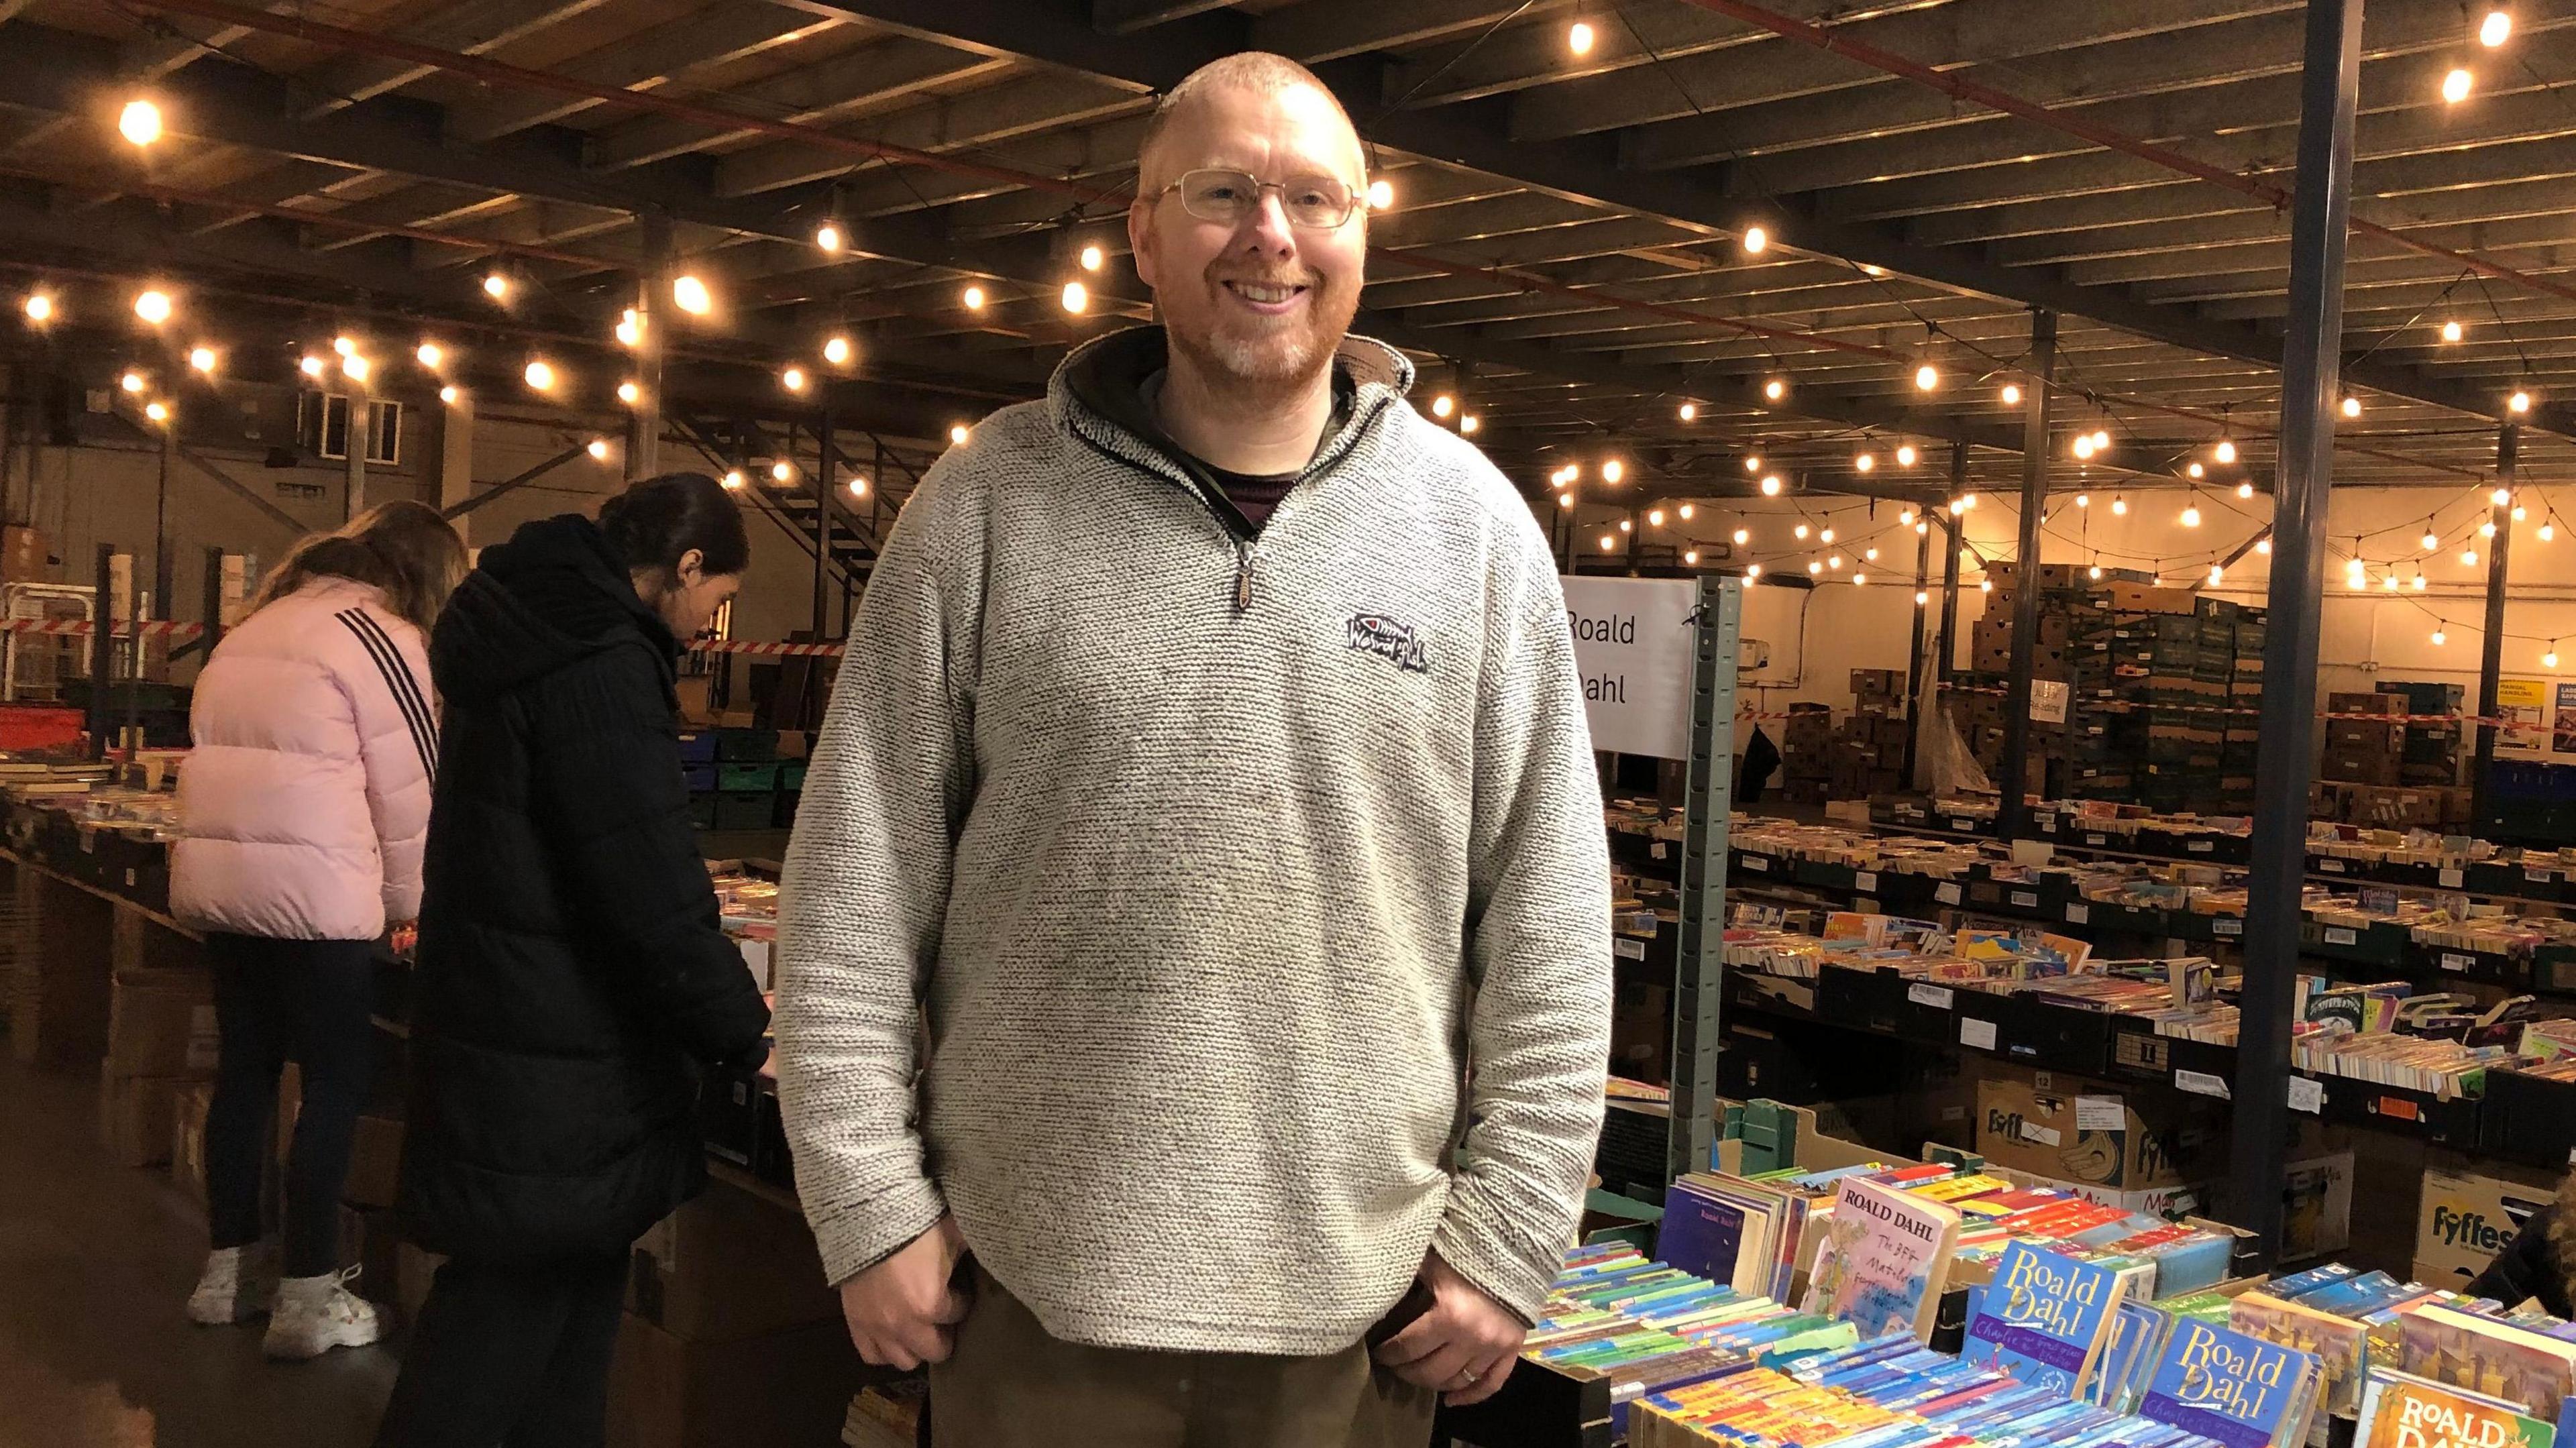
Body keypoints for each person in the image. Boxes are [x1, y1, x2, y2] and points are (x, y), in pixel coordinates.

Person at [776, 51, 1612, 1447]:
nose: (1270, 235)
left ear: (1362, 234)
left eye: (1313, 198)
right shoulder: (985, 505)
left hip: (1360, 1329)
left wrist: (1514, 1228)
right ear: (1141, 235)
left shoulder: (1472, 530)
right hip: (1031, 1307)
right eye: (1221, 191)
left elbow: (1552, 913)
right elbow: (855, 880)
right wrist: (865, 1204)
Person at [373, 474, 771, 1448]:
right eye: (716, 599)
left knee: (566, 1314)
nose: (709, 626)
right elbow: (646, 882)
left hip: (516, 1024)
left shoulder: (527, 622)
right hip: (559, 1058)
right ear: (682, 568)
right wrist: (743, 1028)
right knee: (502, 1319)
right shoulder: (598, 659)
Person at [173, 499, 466, 1359]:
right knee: (337, 1082)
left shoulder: (257, 626)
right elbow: (414, 787)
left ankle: (230, 1271)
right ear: (424, 573)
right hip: (317, 901)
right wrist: (418, 908)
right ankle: (308, 1291)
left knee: (247, 1073)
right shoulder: (381, 636)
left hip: (225, 890)